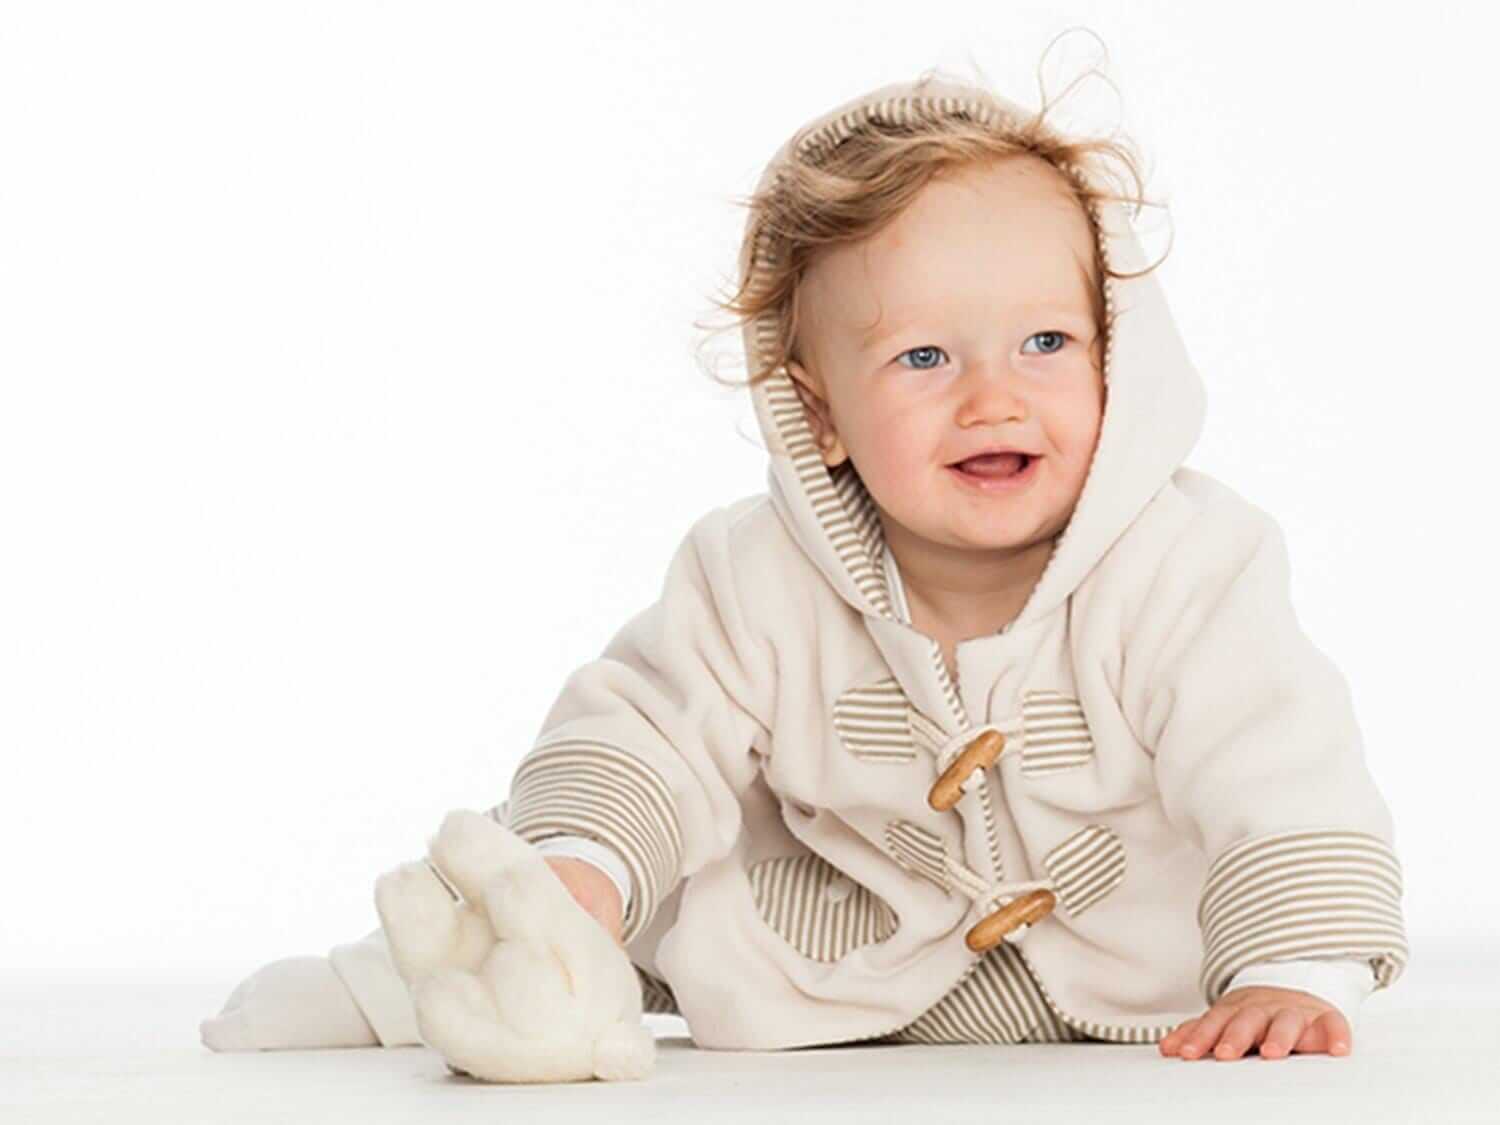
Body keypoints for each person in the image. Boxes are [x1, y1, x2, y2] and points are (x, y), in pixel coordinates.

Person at [202, 54, 1408, 1064]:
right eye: (925, 358)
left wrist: (1291, 973)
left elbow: (1282, 773)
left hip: (1141, 972)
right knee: (612, 901)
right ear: (818, 412)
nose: (993, 397)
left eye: (1046, 342)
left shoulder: (1192, 564)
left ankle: (1274, 955)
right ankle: (424, 981)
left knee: (1273, 857)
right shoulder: (753, 572)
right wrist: (584, 868)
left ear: (1116, 355)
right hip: (830, 953)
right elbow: (648, 730)